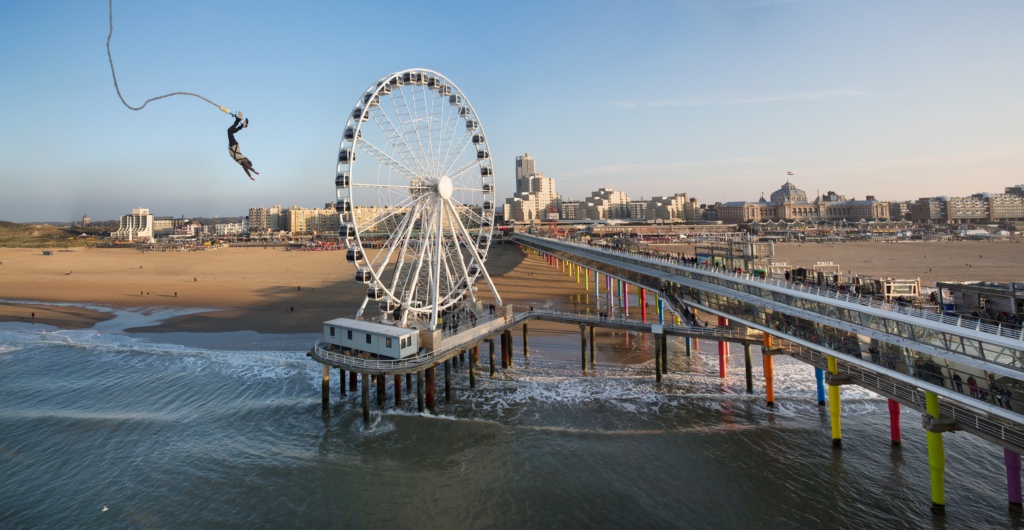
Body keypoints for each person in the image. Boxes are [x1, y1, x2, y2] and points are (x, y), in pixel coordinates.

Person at [227, 113, 258, 181]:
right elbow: (246, 166)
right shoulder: (243, 161)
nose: (245, 167)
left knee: (231, 132)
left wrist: (250, 176)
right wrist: (253, 170)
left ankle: (242, 126)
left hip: (234, 146)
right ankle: (238, 121)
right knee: (229, 131)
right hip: (234, 146)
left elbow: (246, 169)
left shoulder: (243, 164)